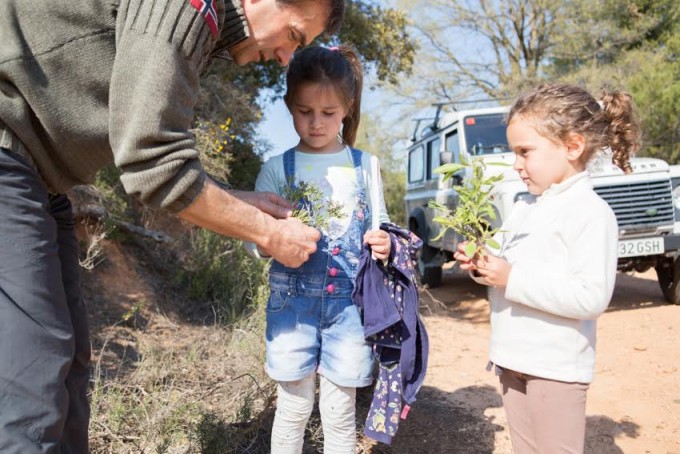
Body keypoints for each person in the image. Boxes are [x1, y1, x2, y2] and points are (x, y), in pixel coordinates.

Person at [0, 0, 344, 451]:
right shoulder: (188, 6)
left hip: (41, 180)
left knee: (66, 364)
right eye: (294, 37)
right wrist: (270, 233)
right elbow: (153, 164)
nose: (286, 58)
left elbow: (145, 144)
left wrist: (240, 200)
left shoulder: (201, 30)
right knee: (36, 374)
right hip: (9, 154)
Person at [455, 83, 641, 454]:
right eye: (514, 153)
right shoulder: (526, 206)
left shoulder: (591, 213)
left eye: (525, 152)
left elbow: (590, 298)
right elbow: (510, 264)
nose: (516, 164)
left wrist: (510, 277)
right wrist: (483, 263)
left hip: (555, 369)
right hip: (512, 359)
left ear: (573, 146)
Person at [245, 45, 391, 453]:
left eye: (328, 113)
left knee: (340, 411)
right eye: (304, 111)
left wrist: (385, 244)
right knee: (292, 407)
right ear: (290, 105)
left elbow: (381, 226)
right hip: (291, 307)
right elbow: (252, 235)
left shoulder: (366, 165)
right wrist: (268, 244)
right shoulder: (277, 168)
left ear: (347, 107)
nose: (315, 123)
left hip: (350, 308)